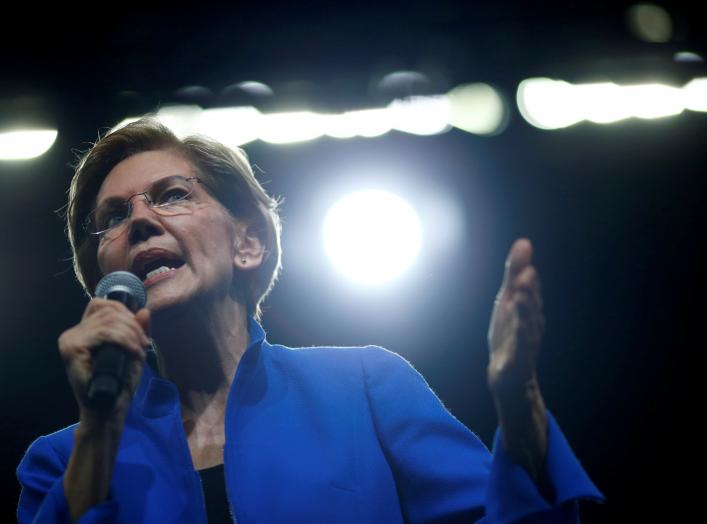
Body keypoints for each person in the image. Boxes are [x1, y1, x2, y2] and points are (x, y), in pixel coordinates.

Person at [17, 118, 603, 523]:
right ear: (102, 280)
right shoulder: (61, 462)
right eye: (112, 217)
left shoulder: (365, 390)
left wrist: (518, 403)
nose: (139, 219)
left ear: (248, 243)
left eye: (170, 195)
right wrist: (98, 431)